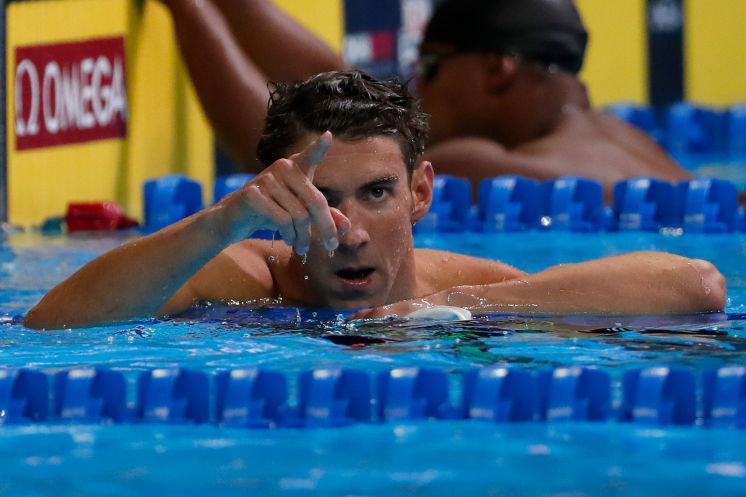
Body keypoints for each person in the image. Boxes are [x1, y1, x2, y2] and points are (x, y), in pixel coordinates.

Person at [24, 70, 725, 330]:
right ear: (280, 193)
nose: (351, 229)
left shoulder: (465, 290)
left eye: (378, 192)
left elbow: (698, 285)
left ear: (419, 192)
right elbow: (51, 323)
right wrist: (221, 221)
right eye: (322, 197)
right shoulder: (247, 280)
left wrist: (444, 310)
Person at [154, 0, 690, 201]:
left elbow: (281, 151)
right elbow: (349, 101)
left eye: (429, 66)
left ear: (497, 69)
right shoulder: (635, 145)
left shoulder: (490, 167)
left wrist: (188, 9)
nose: (419, 86)